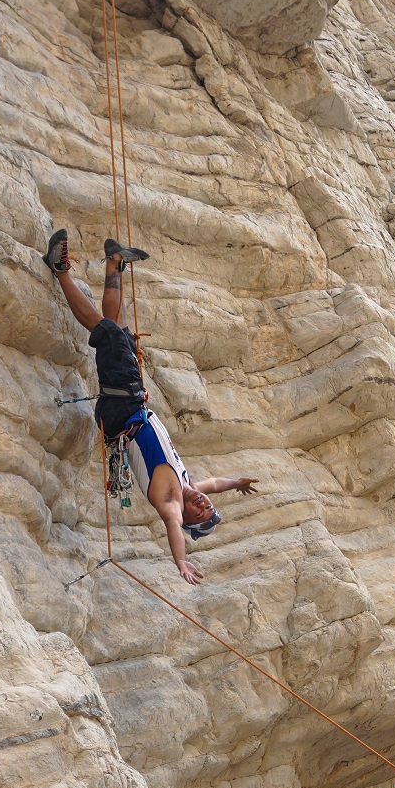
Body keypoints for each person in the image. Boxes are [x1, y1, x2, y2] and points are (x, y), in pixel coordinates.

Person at [45, 229, 257, 584]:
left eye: (200, 512)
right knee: (121, 333)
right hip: (132, 404)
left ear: (187, 517)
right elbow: (216, 483)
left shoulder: (172, 504)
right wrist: (237, 483)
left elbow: (174, 528)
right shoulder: (189, 486)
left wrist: (181, 563)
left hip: (123, 413)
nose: (203, 504)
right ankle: (114, 261)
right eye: (208, 506)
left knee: (108, 335)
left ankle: (60, 270)